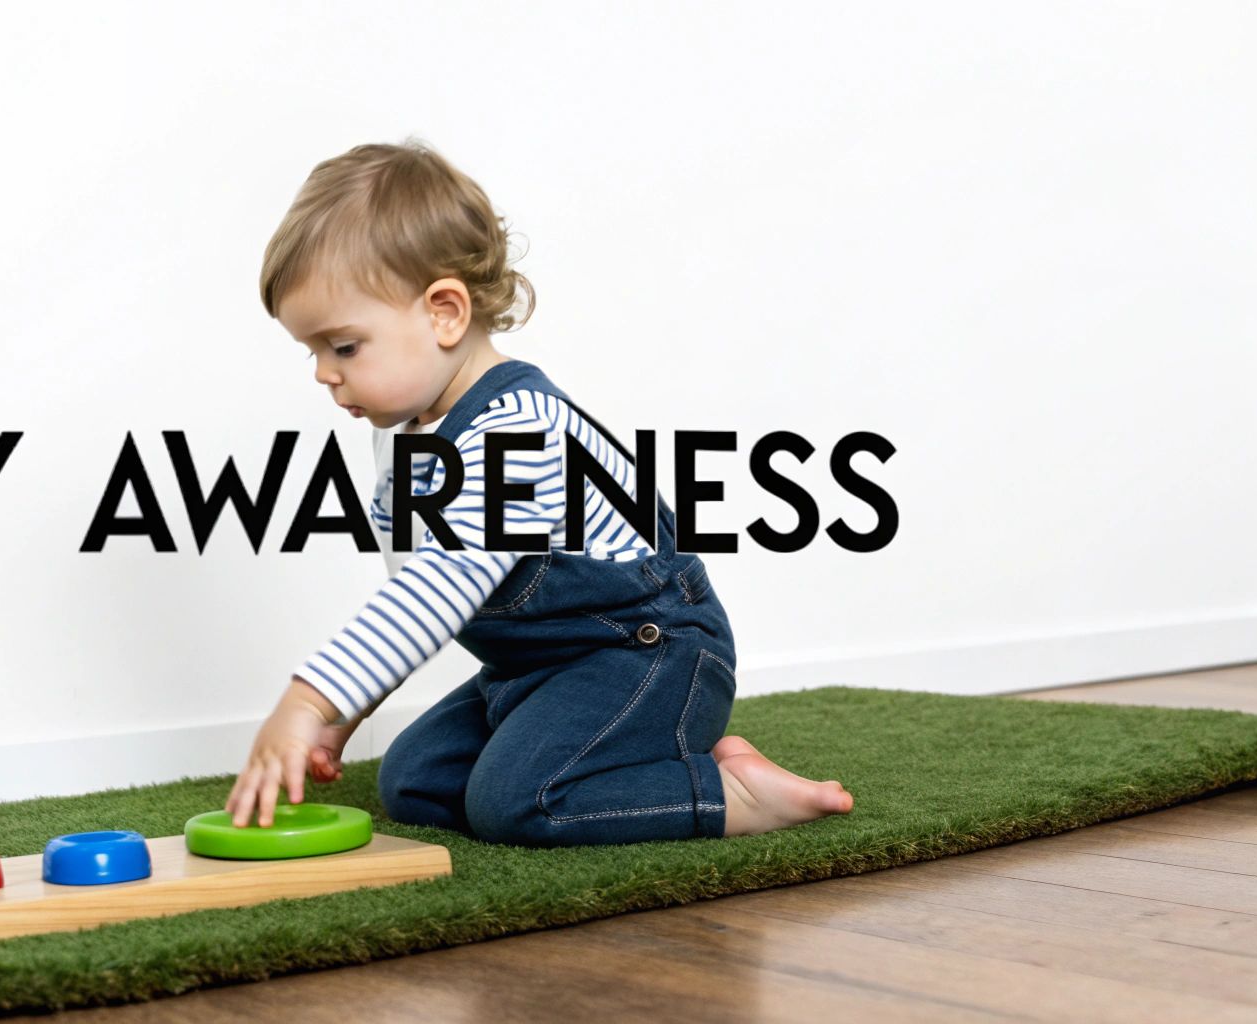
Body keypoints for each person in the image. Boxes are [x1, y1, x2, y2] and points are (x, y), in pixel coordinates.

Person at [227, 138, 853, 846]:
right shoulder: (401, 440)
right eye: (311, 352)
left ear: (444, 312)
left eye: (343, 347)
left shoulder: (516, 434)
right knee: (414, 782)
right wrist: (348, 715)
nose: (323, 374)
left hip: (648, 654)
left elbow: (444, 580)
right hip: (535, 668)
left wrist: (308, 699)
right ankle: (632, 760)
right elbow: (415, 600)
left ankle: (729, 793)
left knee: (517, 802)